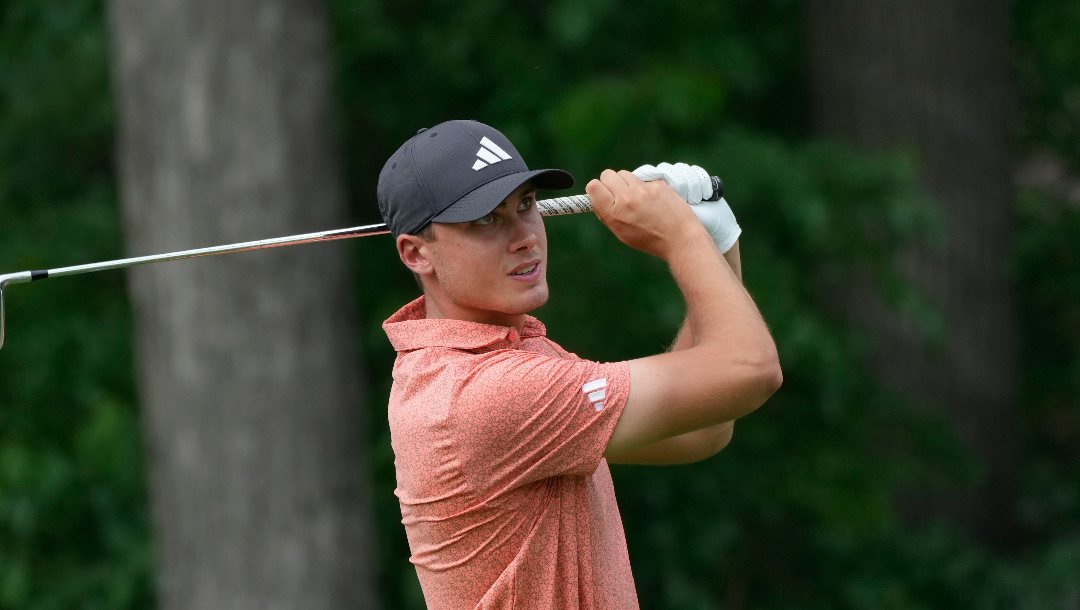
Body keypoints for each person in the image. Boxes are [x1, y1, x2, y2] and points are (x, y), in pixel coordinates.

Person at [377, 119, 781, 609]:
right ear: (416, 253)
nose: (524, 237)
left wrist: (715, 243)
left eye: (525, 205)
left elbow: (703, 427)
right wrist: (680, 238)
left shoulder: (506, 357)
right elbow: (751, 371)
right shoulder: (483, 393)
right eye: (485, 220)